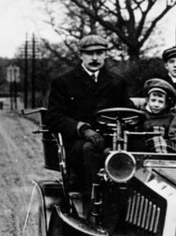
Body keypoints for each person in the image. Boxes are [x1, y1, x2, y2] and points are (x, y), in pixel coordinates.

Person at [44, 34, 134, 204]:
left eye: (99, 53)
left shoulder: (117, 82)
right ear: (80, 55)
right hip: (78, 143)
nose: (95, 58)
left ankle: (128, 204)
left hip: (111, 139)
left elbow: (129, 110)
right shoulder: (63, 82)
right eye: (89, 53)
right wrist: (83, 129)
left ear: (105, 54)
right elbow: (54, 117)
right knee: (90, 149)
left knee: (121, 153)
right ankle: (93, 203)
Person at [139, 78, 176, 153]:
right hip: (145, 149)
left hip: (166, 149)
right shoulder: (140, 115)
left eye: (160, 102)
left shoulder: (171, 117)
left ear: (166, 104)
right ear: (147, 100)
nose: (156, 105)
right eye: (153, 100)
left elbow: (174, 135)